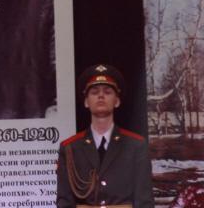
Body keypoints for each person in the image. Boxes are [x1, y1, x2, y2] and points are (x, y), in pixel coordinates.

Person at [56, 64, 154, 207]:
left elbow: (144, 202)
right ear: (86, 102)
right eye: (94, 92)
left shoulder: (136, 146)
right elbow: (64, 202)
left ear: (117, 101)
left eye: (108, 92)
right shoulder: (70, 148)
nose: (101, 96)